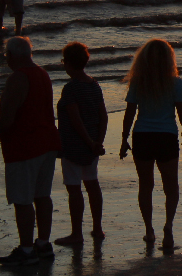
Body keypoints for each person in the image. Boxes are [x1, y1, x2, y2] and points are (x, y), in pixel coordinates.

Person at [0, 36, 62, 266]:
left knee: (22, 199)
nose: (5, 58)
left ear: (13, 56)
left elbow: (7, 122)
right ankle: (43, 244)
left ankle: (26, 250)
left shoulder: (18, 78)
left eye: (6, 55)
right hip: (47, 142)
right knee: (42, 196)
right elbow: (29, 110)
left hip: (25, 146)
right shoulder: (42, 74)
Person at [119, 39, 182, 251]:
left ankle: (149, 229)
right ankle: (168, 226)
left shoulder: (138, 82)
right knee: (171, 186)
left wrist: (124, 138)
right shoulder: (175, 82)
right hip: (166, 136)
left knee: (146, 185)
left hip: (143, 136)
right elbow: (181, 110)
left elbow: (130, 112)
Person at [54, 42, 107, 246]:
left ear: (68, 63)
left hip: (74, 146)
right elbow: (103, 117)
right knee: (92, 184)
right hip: (92, 146)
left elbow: (75, 120)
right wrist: (97, 142)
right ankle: (97, 227)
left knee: (74, 189)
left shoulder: (71, 89)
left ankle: (77, 233)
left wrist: (89, 142)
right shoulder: (94, 85)